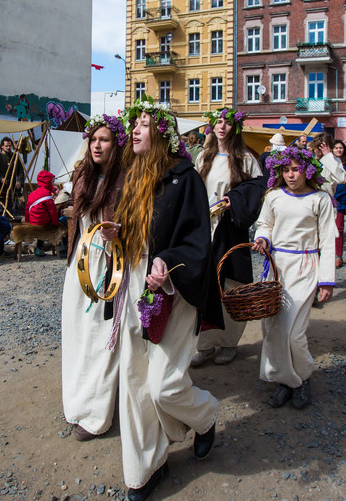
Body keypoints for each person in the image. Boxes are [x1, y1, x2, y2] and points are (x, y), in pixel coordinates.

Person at [112, 97, 219, 501]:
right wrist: (114, 236)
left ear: (160, 133)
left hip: (174, 287)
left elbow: (197, 244)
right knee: (136, 382)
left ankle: (206, 417)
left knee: (163, 386)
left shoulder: (185, 177)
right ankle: (145, 468)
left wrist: (166, 261)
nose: (134, 130)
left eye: (142, 124)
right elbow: (131, 233)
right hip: (135, 283)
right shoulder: (131, 175)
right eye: (134, 124)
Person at [252, 145, 336, 409]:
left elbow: (329, 240)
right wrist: (262, 238)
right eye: (285, 170)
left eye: (295, 169)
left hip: (305, 265)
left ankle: (303, 377)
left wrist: (326, 280)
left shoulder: (320, 199)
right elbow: (264, 223)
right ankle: (285, 381)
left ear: (307, 170)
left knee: (294, 333)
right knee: (273, 329)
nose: (290, 175)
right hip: (277, 266)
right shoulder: (273, 196)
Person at [60, 114, 126, 441]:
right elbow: (76, 217)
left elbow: (138, 222)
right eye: (94, 140)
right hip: (80, 263)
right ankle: (76, 402)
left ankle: (97, 415)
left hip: (108, 265)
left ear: (116, 145)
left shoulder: (126, 179)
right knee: (77, 335)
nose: (97, 145)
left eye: (104, 140)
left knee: (102, 339)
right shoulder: (81, 174)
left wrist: (121, 233)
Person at [191, 107, 261, 367]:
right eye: (218, 122)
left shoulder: (245, 159)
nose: (222, 127)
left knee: (231, 286)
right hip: (204, 230)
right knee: (205, 285)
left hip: (231, 230)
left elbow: (258, 191)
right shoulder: (203, 158)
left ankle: (228, 342)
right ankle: (205, 344)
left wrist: (236, 200)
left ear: (236, 128)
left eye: (228, 123)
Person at [25, 169, 60, 256]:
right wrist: (56, 223)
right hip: (42, 222)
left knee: (40, 220)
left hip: (32, 221)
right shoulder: (46, 195)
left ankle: (39, 248)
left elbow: (26, 209)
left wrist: (27, 221)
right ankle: (61, 245)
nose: (52, 184)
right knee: (57, 223)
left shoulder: (33, 193)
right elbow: (53, 211)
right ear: (48, 182)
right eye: (51, 182)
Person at [0, 137, 25, 206]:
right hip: (1, 187)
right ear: (2, 146)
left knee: (13, 208)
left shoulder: (15, 156)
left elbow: (20, 170)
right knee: (0, 207)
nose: (8, 148)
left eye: (10, 146)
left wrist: (19, 181)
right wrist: (0, 179)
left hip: (13, 186)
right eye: (6, 146)